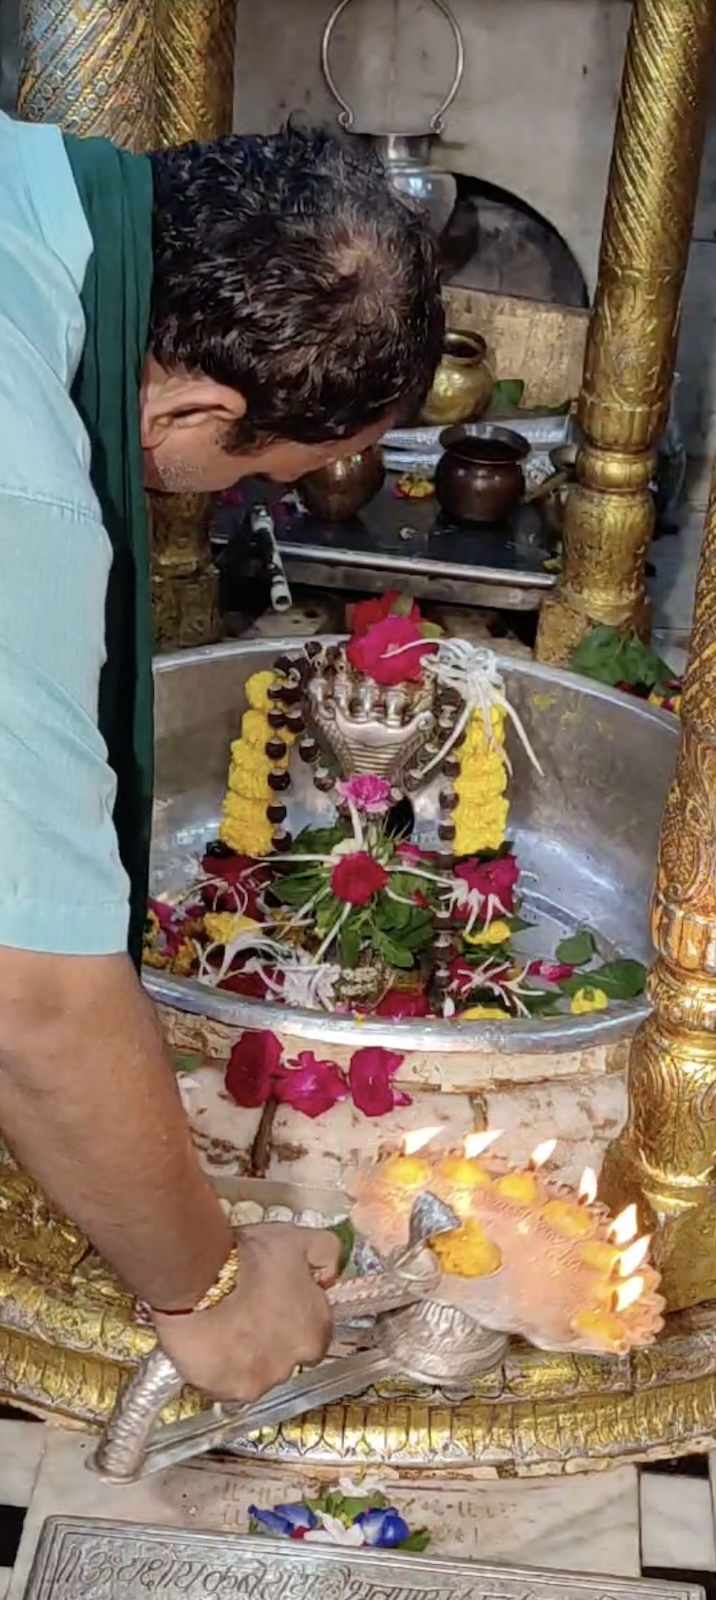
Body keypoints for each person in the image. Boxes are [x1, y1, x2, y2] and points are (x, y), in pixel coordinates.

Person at [0, 114, 443, 1402]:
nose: (212, 506)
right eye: (241, 481)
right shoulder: (21, 486)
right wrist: (209, 1289)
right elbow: (31, 998)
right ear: (198, 402)